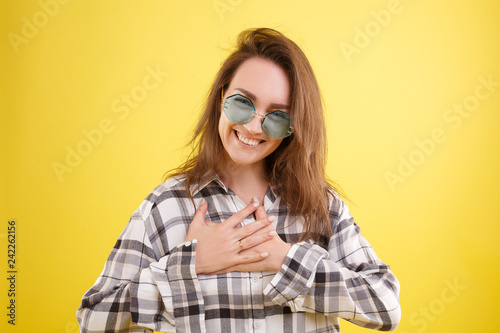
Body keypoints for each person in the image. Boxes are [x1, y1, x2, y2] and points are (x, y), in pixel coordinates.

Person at [76, 28, 401, 332]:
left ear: (293, 127)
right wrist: (188, 265)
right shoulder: (169, 206)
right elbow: (93, 317)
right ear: (221, 98)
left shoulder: (320, 207)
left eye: (277, 116)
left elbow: (386, 305)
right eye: (243, 102)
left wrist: (286, 261)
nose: (254, 127)